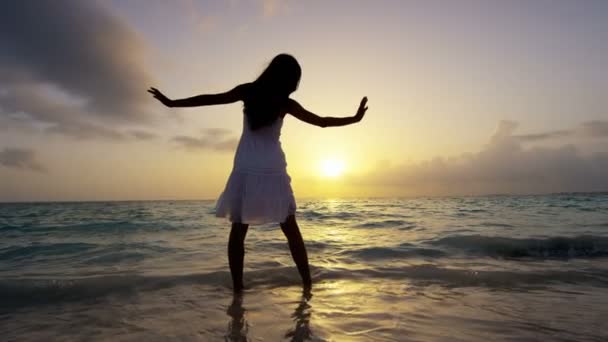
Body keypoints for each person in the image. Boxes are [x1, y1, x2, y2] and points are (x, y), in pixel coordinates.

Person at [148, 54, 368, 293]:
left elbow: (211, 99)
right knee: (290, 228)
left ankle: (238, 290)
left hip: (246, 165)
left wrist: (172, 103)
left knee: (239, 229)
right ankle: (307, 285)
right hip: (273, 168)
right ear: (291, 80)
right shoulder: (285, 103)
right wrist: (355, 119)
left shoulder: (248, 91)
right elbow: (322, 122)